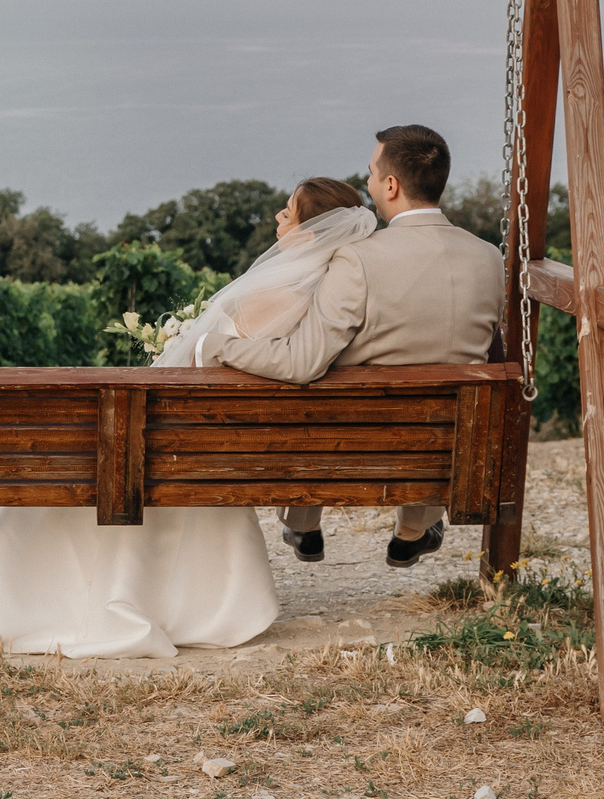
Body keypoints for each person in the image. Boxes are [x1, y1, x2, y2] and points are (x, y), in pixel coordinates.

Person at [0, 178, 374, 658]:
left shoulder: (272, 297)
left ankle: (21, 599)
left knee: (72, 467)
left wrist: (193, 339)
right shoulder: (321, 301)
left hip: (180, 442)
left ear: (310, 234)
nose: (276, 219)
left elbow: (214, 356)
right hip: (211, 438)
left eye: (287, 213)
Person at [193, 124, 502, 569]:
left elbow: (301, 362)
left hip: (359, 447)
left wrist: (216, 347)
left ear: (392, 186)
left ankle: (302, 521)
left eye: (373, 174)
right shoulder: (489, 256)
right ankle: (414, 527)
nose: (371, 184)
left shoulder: (358, 258)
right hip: (453, 447)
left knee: (317, 378)